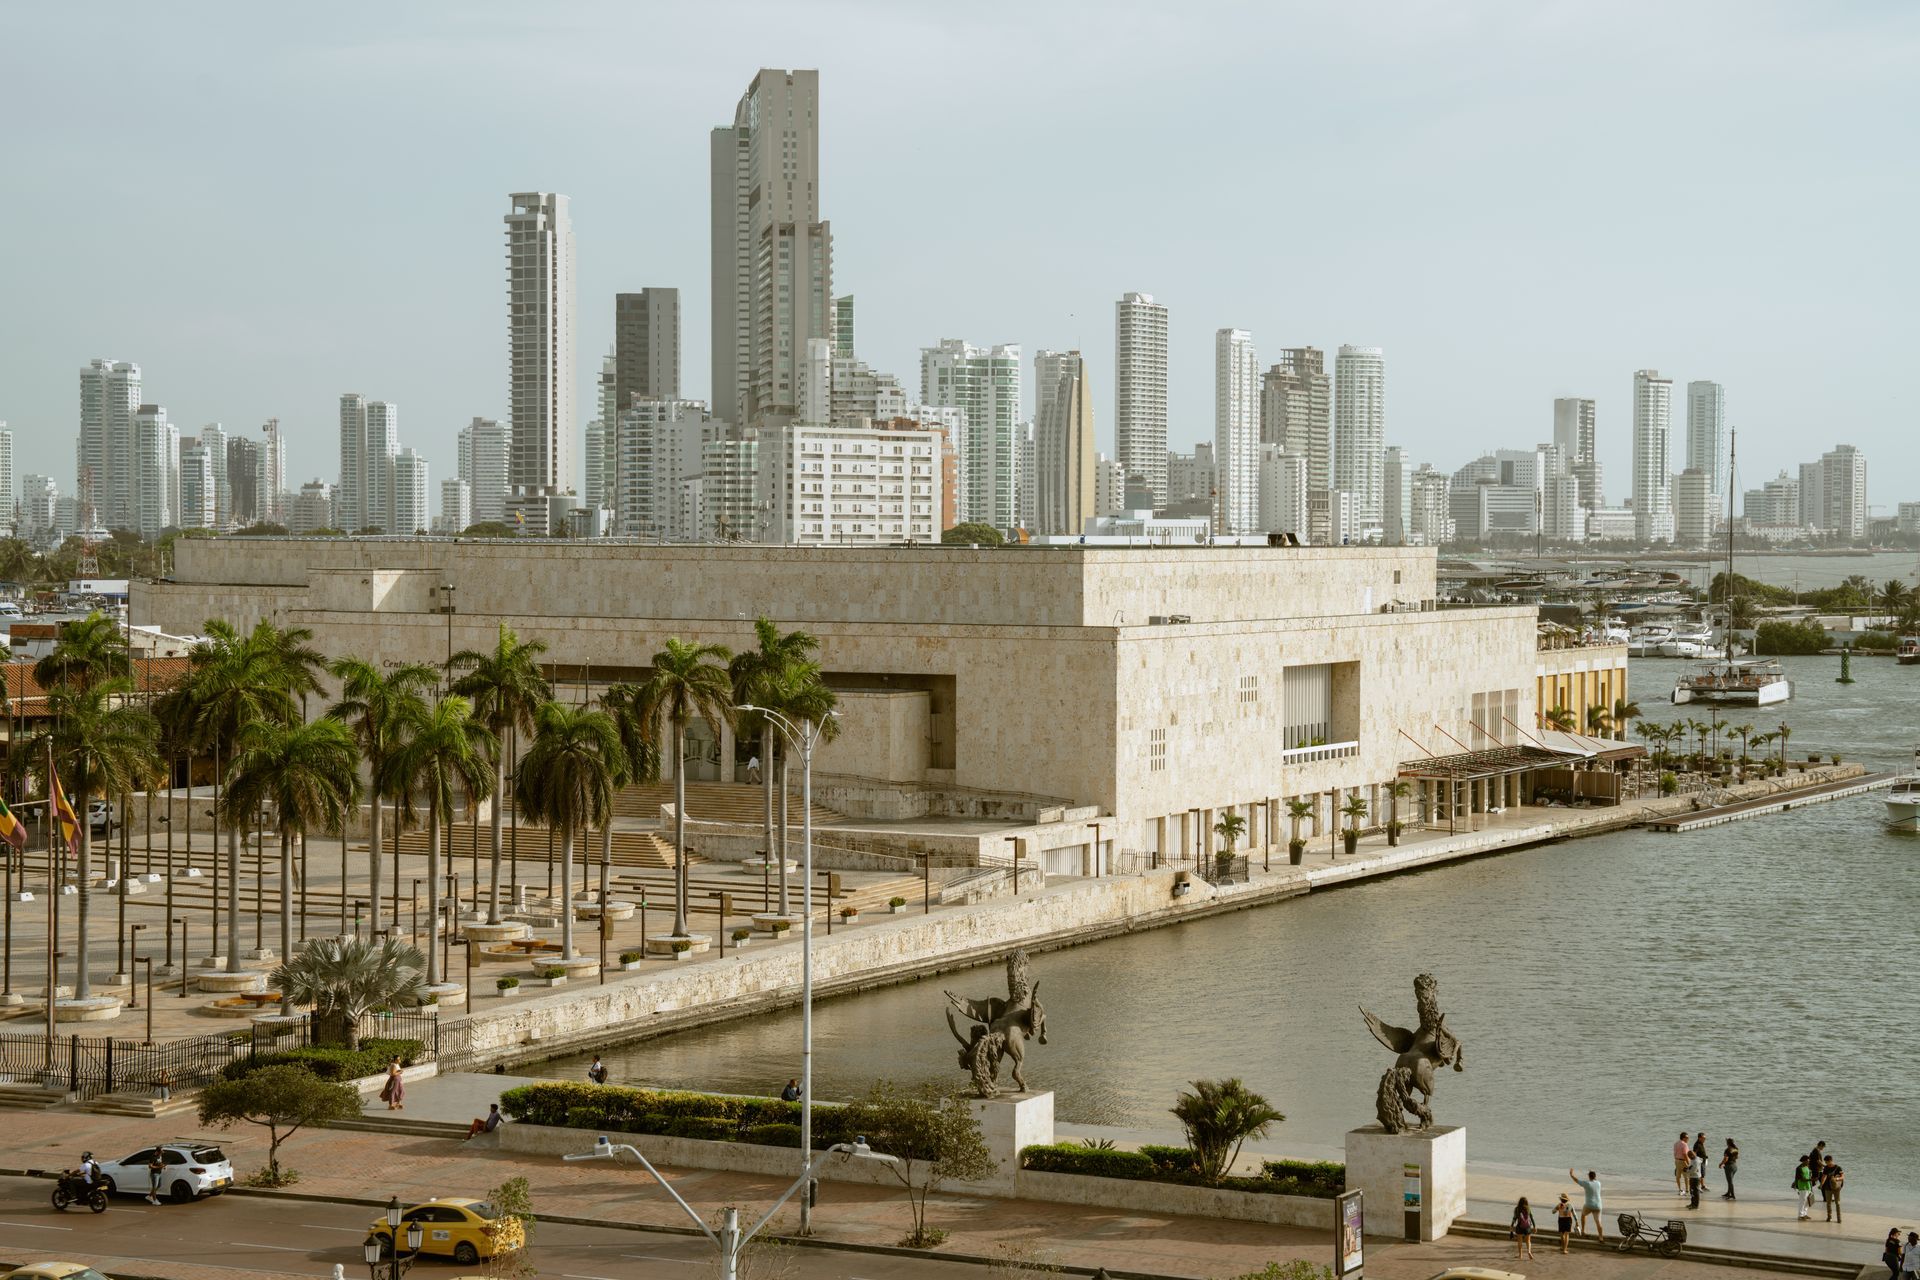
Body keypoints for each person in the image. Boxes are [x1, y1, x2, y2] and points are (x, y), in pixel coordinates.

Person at [1570, 1168, 1605, 1239]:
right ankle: (1601, 1237)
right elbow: (1593, 1178)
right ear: (1595, 1177)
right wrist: (1591, 1172)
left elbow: (1577, 1180)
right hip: (1598, 1205)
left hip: (1589, 1205)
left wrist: (1571, 1175)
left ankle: (1583, 1231)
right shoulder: (1598, 1183)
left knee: (1583, 1215)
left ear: (1589, 1176)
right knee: (1598, 1222)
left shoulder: (1587, 1184)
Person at [1510, 1196, 1535, 1260]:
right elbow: (1532, 1218)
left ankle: (1520, 1255)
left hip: (1519, 1227)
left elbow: (1514, 1218)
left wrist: (1512, 1225)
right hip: (1527, 1227)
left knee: (1520, 1241)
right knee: (1528, 1241)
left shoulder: (1517, 1209)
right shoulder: (1528, 1208)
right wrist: (1534, 1226)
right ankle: (1529, 1252)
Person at [1823, 1158, 1844, 1223]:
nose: (1826, 1164)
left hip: (1836, 1188)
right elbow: (1824, 1176)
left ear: (1831, 1161)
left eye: (1827, 1162)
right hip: (1827, 1187)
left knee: (1837, 1203)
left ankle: (1839, 1218)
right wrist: (1821, 1184)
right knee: (1828, 1203)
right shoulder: (1826, 1168)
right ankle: (1829, 1217)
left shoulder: (1838, 1168)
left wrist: (1836, 1179)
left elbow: (1842, 1177)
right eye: (1825, 1162)